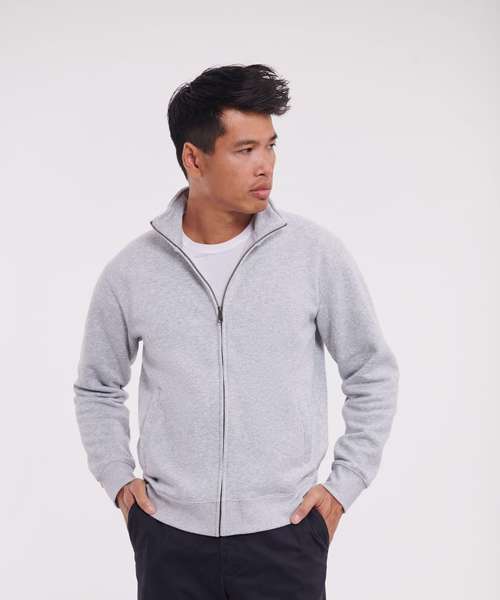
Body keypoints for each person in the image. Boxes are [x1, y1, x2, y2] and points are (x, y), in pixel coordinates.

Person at [73, 63, 399, 599]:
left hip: (287, 534)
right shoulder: (132, 272)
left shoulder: (314, 255)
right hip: (169, 538)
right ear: (193, 158)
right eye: (245, 150)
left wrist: (344, 487)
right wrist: (118, 480)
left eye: (270, 147)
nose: (265, 165)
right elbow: (97, 387)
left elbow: (371, 372)